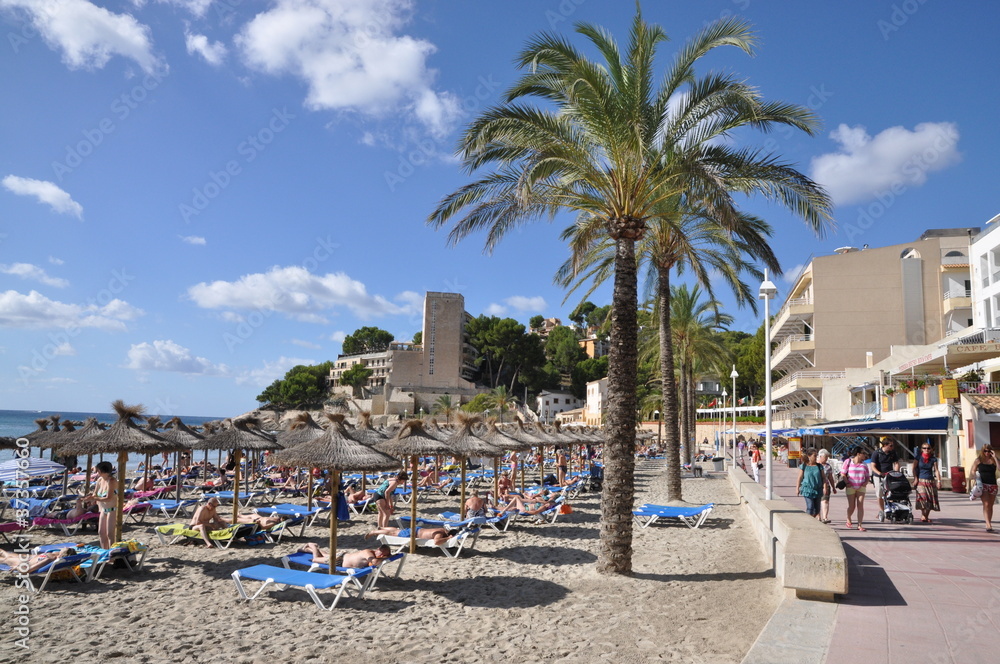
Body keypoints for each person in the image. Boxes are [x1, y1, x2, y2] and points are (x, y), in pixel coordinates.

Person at [82, 461, 119, 549]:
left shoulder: (112, 481)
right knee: (101, 533)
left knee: (110, 534)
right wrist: (88, 498)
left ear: (101, 470)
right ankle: (104, 552)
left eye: (97, 470)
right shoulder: (99, 480)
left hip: (112, 509)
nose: (96, 471)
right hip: (103, 509)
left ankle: (112, 555)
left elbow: (109, 498)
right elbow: (95, 494)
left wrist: (94, 499)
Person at [969, 444, 999, 532]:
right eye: (985, 451)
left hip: (993, 484)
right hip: (983, 485)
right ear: (982, 451)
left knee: (990, 505)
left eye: (989, 451)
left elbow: (999, 468)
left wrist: (995, 457)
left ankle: (989, 522)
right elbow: (972, 470)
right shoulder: (979, 460)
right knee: (986, 504)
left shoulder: (993, 460)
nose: (987, 453)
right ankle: (988, 524)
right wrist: (975, 476)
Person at [869, 437, 900, 519]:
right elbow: (872, 466)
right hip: (879, 476)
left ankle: (890, 510)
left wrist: (896, 473)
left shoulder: (892, 453)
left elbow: (896, 463)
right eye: (891, 445)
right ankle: (881, 511)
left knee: (891, 493)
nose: (892, 447)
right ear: (885, 445)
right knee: (880, 493)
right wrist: (879, 473)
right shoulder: (877, 453)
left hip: (889, 475)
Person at [841, 447, 871, 531]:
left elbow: (868, 476)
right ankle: (848, 518)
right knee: (852, 506)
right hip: (851, 486)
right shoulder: (848, 461)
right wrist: (847, 483)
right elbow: (843, 473)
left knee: (860, 505)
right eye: (863, 454)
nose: (865, 456)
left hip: (861, 487)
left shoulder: (864, 464)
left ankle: (859, 524)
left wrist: (865, 483)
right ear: (858, 454)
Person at [911, 442, 941, 523]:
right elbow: (913, 468)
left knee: (930, 499)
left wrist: (938, 481)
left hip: (930, 480)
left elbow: (936, 470)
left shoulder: (933, 459)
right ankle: (923, 514)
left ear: (931, 449)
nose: (926, 450)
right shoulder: (918, 458)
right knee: (923, 498)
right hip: (921, 480)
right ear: (921, 449)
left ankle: (925, 516)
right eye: (924, 448)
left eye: (928, 448)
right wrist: (915, 478)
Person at [297, 542, 391, 568]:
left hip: (342, 557)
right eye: (382, 554)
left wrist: (387, 556)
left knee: (326, 555)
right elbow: (374, 562)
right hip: (339, 561)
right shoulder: (368, 553)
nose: (381, 556)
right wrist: (385, 558)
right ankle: (313, 546)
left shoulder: (373, 554)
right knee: (315, 559)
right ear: (377, 549)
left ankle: (306, 550)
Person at [795, 447, 829, 520]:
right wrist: (797, 488)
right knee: (810, 507)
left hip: (818, 489)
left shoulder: (819, 466)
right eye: (814, 456)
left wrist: (825, 487)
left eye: (816, 456)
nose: (816, 457)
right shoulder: (804, 466)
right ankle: (808, 521)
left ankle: (811, 520)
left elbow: (824, 478)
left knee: (817, 509)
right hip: (807, 489)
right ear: (809, 456)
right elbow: (800, 477)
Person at [0, 547, 77, 574]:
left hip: (22, 563)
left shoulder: (48, 559)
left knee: (5, 557)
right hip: (26, 557)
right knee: (5, 553)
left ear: (61, 555)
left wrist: (17, 567)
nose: (64, 547)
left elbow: (28, 570)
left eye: (65, 548)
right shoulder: (56, 554)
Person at [365, 526, 456, 546]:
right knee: (393, 533)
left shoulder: (441, 529)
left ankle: (382, 527)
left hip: (417, 529)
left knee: (397, 530)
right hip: (413, 534)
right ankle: (374, 532)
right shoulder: (440, 534)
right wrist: (448, 538)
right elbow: (436, 542)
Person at [816, 449, 837, 524]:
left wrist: (833, 487)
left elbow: (830, 477)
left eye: (827, 457)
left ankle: (825, 517)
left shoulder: (828, 466)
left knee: (825, 501)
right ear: (820, 456)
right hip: (816, 486)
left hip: (826, 486)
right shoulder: (815, 465)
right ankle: (818, 516)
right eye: (825, 457)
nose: (826, 459)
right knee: (817, 501)